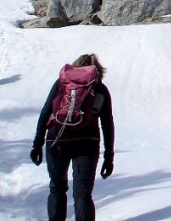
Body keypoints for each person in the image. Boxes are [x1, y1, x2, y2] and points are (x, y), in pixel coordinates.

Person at [31, 54, 115, 221]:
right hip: (87, 143)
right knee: (83, 193)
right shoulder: (100, 88)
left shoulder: (62, 84)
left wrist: (37, 144)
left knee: (57, 188)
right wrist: (109, 156)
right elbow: (107, 123)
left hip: (57, 139)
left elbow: (46, 112)